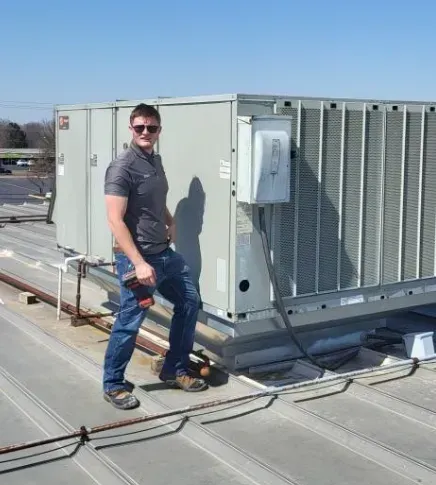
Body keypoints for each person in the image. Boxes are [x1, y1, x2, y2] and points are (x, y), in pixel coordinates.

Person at [102, 103, 208, 410]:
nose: (146, 132)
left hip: (164, 255)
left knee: (189, 302)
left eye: (152, 127)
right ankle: (113, 384)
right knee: (130, 321)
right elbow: (115, 220)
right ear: (131, 129)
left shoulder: (154, 160)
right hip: (138, 258)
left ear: (159, 130)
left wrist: (171, 220)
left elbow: (153, 202)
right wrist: (138, 263)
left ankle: (174, 369)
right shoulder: (122, 167)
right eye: (140, 127)